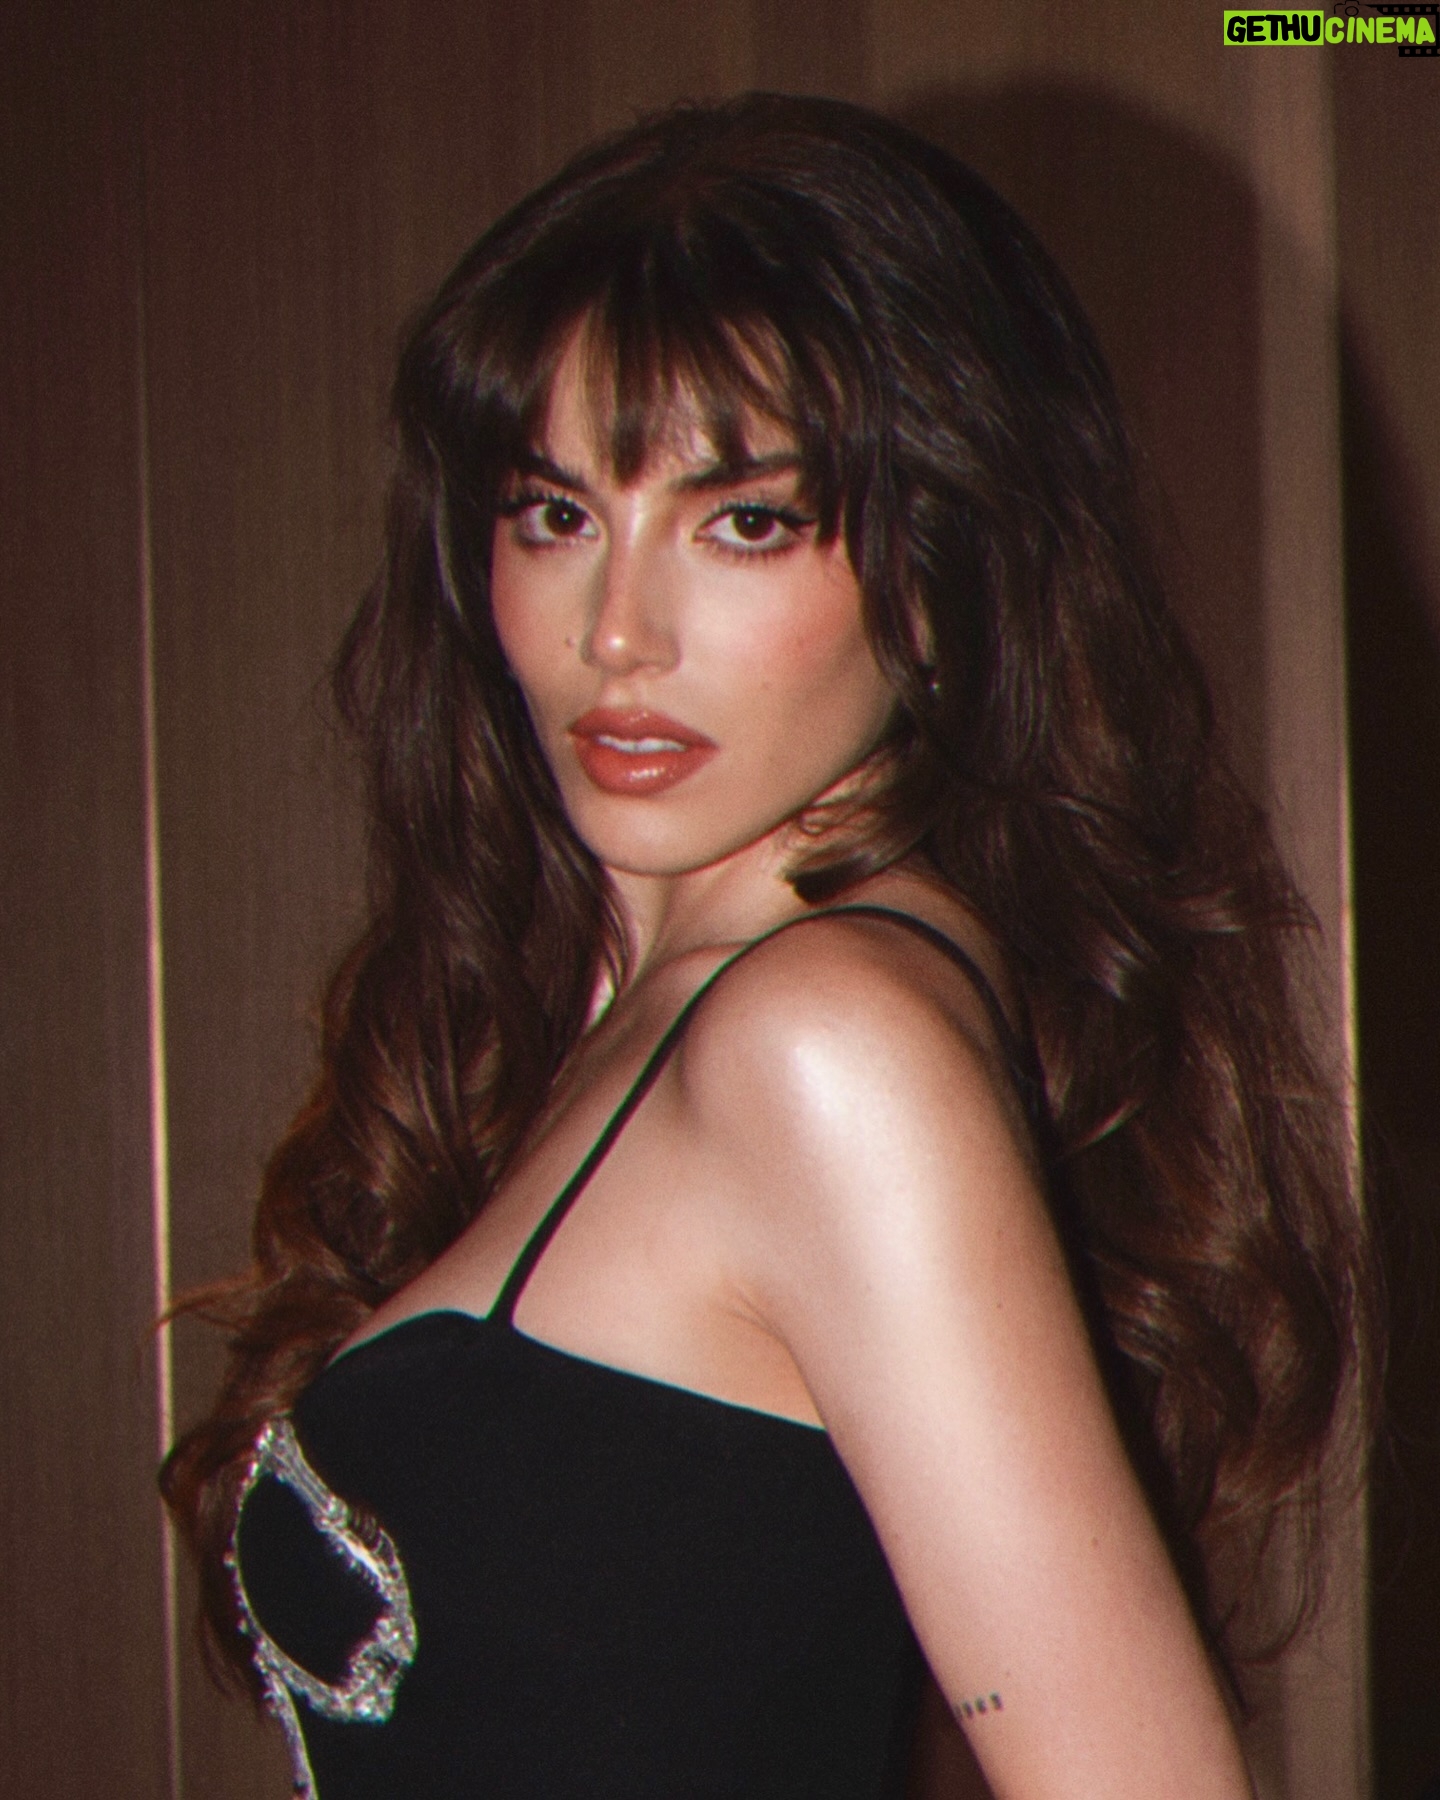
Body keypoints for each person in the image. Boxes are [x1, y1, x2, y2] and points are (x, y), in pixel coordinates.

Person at [161, 93, 1368, 1799]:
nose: (617, 633)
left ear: (942, 562)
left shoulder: (826, 1044)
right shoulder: (639, 1006)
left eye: (744, 522)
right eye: (554, 513)